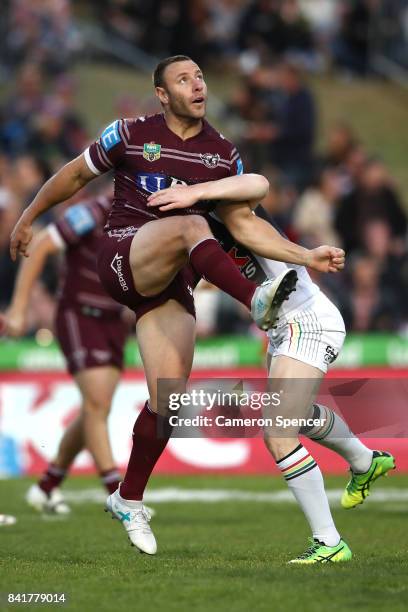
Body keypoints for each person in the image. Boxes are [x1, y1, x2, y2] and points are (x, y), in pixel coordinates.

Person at [10, 55, 343, 555]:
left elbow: (247, 224)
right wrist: (28, 215)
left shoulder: (223, 153)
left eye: (201, 77)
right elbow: (76, 176)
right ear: (162, 94)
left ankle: (128, 497)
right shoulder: (127, 132)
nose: (197, 85)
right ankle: (255, 302)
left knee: (168, 400)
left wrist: (304, 256)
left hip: (171, 284)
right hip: (124, 253)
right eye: (183, 79)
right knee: (193, 225)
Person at [151, 186, 395, 563]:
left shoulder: (231, 207)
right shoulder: (196, 235)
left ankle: (330, 543)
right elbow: (185, 283)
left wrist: (306, 256)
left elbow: (258, 185)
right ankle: (365, 461)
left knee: (278, 433)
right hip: (283, 329)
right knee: (297, 416)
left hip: (306, 320)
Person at [2, 194, 128, 513]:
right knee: (97, 404)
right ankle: (117, 494)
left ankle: (46, 486)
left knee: (94, 409)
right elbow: (43, 245)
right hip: (79, 315)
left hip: (115, 321)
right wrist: (18, 308)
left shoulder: (145, 218)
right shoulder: (93, 212)